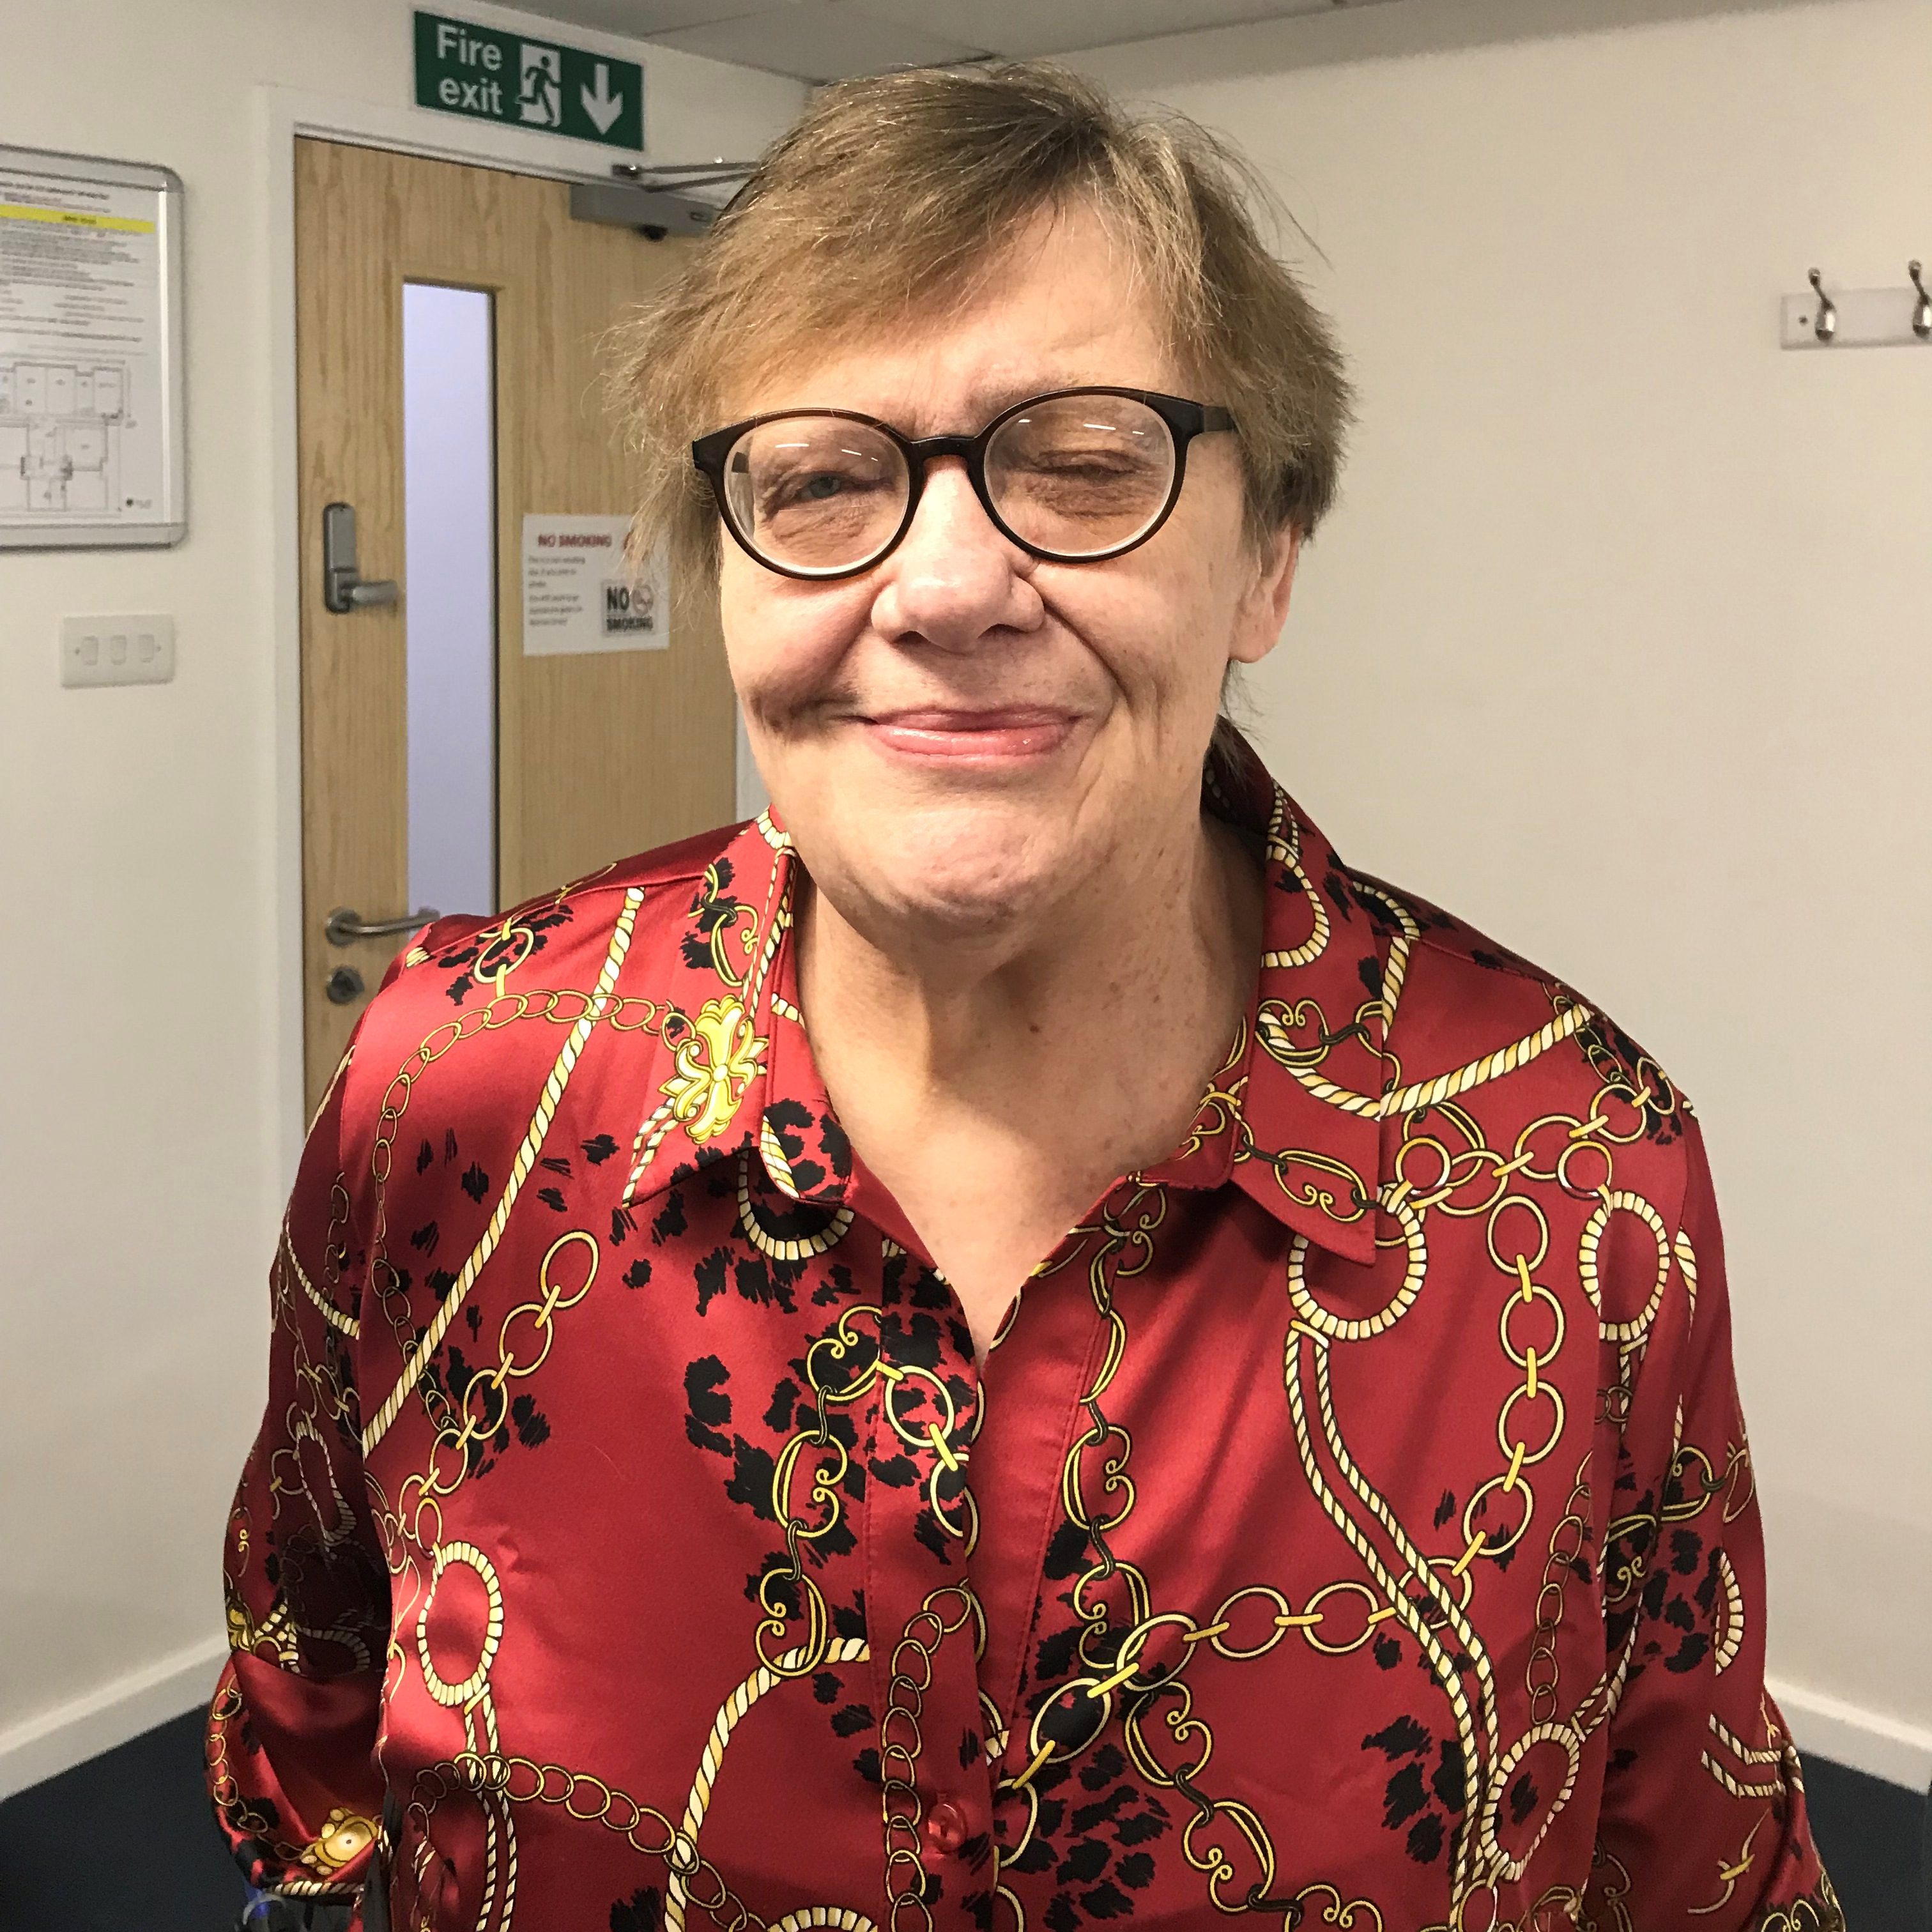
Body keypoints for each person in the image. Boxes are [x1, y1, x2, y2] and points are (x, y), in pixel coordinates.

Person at [209, 61, 1839, 1932]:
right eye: (822, 478)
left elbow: (1689, 1857)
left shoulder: (1569, 1173)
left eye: (1081, 463)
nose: (949, 583)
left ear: (1269, 560)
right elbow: (311, 1696)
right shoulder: (458, 1089)